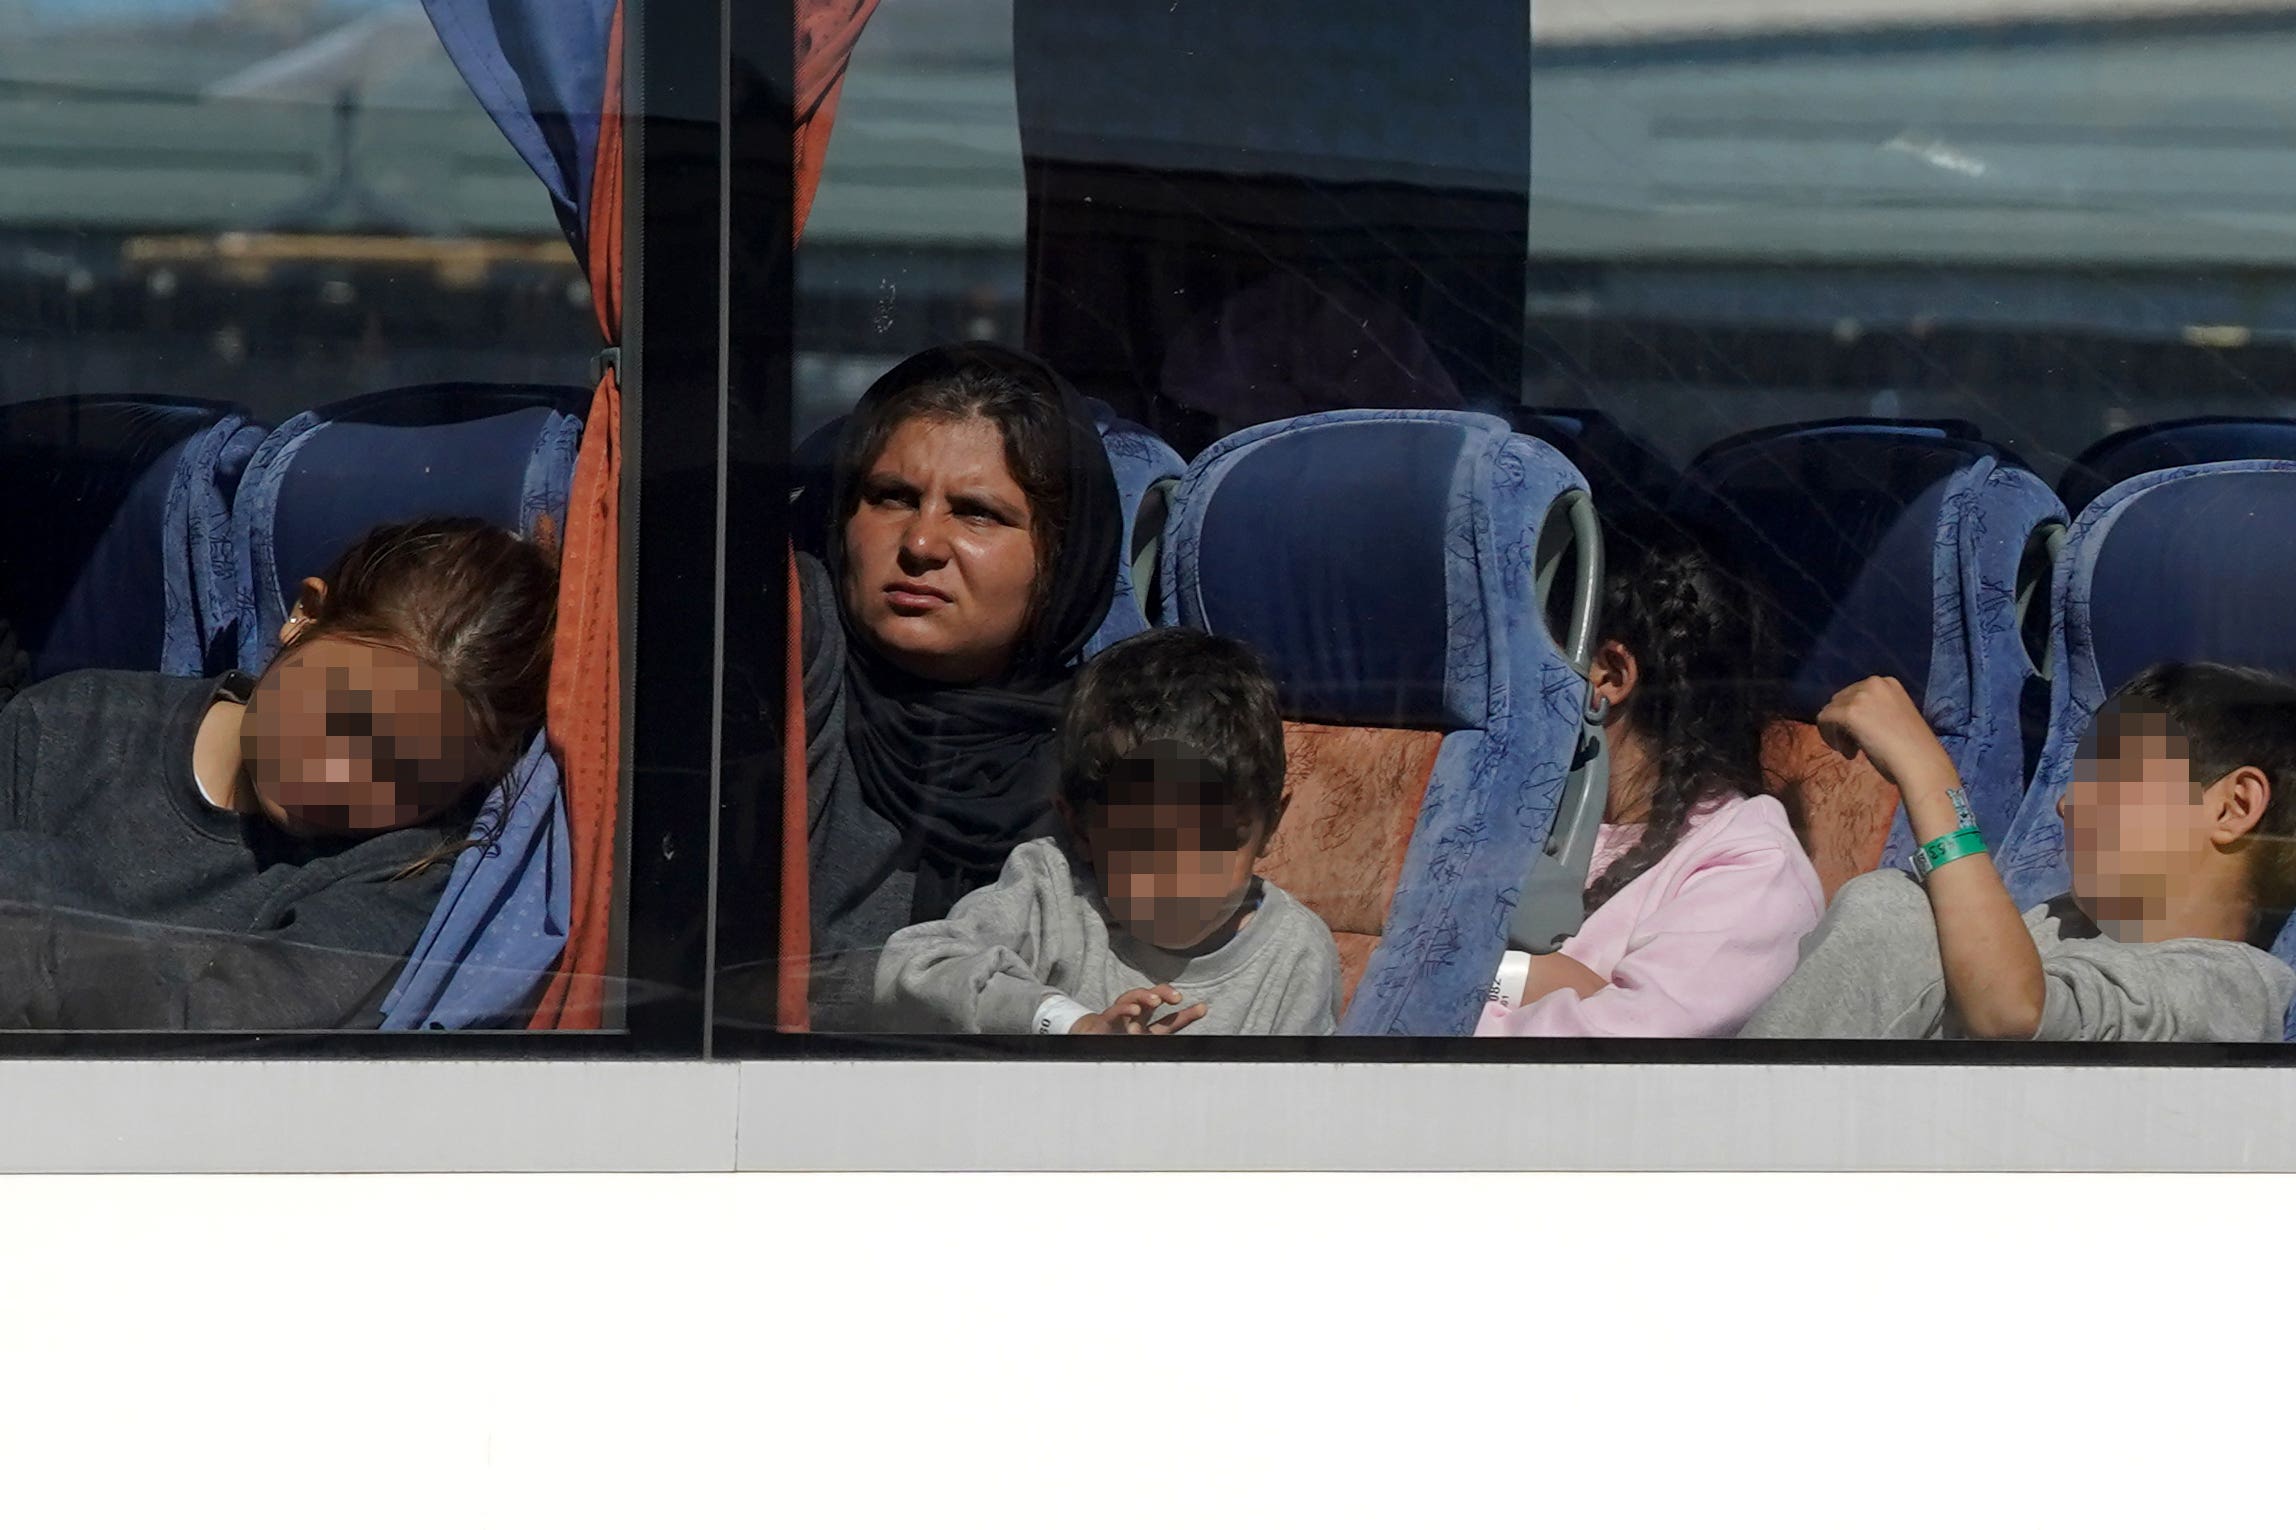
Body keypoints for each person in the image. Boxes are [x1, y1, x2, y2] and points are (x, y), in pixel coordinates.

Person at [0, 517, 556, 1030]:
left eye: (407, 776)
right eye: (338, 715)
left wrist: (36, 891)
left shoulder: (401, 875)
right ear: (304, 615)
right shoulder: (65, 726)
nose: (337, 777)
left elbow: (210, 1054)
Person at [791, 343, 1124, 1025]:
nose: (920, 544)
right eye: (891, 497)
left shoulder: (1108, 748)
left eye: (977, 512)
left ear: (1061, 558)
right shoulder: (793, 641)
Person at [1742, 663, 2296, 1042]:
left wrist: (1931, 777)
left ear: (2233, 806)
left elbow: (2014, 1014)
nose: (2066, 806)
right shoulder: (2057, 925)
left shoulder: (2233, 988)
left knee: (1896, 911)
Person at [873, 628, 1340, 1036]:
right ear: (1080, 827)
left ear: (1270, 827)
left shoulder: (1296, 954)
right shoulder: (1050, 895)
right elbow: (911, 970)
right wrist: (1068, 1022)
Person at [1478, 521, 1823, 1038]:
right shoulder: (1508, 813)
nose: (1492, 681)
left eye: (1526, 651)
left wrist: (1498, 974)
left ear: (1610, 675)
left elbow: (1611, 1063)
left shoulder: (1750, 871)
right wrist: (1541, 981)